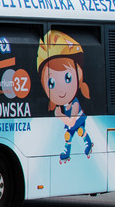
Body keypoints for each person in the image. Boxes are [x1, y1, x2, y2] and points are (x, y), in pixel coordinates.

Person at [38, 30, 92, 162]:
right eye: (51, 82)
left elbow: (72, 121)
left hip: (78, 119)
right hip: (70, 120)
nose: (61, 91)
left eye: (68, 78)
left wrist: (60, 115)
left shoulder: (75, 103)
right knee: (68, 135)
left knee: (79, 131)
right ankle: (67, 151)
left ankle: (88, 142)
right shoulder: (61, 106)